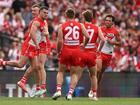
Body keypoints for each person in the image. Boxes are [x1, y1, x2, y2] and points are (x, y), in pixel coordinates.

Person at [0, 6, 49, 97]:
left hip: (34, 46)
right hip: (30, 45)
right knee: (20, 64)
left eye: (35, 10)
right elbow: (32, 34)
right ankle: (3, 62)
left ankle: (26, 83)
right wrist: (38, 44)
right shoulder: (35, 22)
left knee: (36, 67)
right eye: (32, 10)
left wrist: (45, 34)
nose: (33, 12)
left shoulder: (43, 21)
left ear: (39, 11)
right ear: (41, 12)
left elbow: (44, 32)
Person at [52, 8, 89, 100]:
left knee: (61, 71)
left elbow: (60, 41)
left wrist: (58, 51)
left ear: (66, 15)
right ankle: (70, 93)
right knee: (74, 73)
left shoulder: (62, 26)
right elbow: (88, 36)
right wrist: (83, 45)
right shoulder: (80, 25)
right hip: (76, 51)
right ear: (74, 15)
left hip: (66, 50)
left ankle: (58, 90)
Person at [88, 14, 121, 97]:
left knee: (101, 72)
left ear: (112, 22)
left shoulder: (115, 31)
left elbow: (120, 43)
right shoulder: (100, 28)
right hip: (100, 52)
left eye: (109, 20)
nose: (107, 22)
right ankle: (92, 89)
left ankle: (94, 89)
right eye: (106, 20)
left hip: (108, 54)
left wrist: (112, 42)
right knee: (98, 70)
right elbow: (94, 38)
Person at [80, 10, 106, 101]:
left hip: (82, 52)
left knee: (75, 73)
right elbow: (103, 40)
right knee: (94, 75)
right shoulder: (96, 27)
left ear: (84, 18)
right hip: (92, 53)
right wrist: (98, 49)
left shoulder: (81, 26)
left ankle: (70, 92)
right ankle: (94, 94)